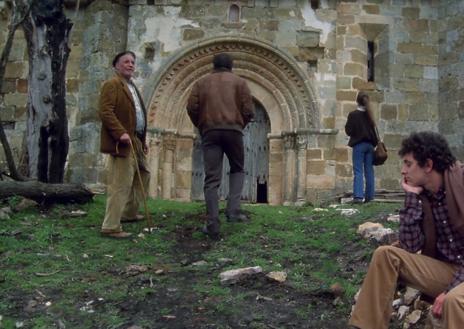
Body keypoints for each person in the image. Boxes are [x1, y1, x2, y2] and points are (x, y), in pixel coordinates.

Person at [349, 131, 464, 329]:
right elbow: (410, 246)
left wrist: (450, 290)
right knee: (386, 255)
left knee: (453, 300)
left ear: (428, 165)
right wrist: (411, 197)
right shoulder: (425, 196)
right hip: (450, 270)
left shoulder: (460, 182)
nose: (403, 170)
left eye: (408, 164)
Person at [186, 53, 255, 240]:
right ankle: (233, 211)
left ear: (213, 65)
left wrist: (202, 125)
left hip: (210, 132)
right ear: (231, 66)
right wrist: (239, 124)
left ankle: (213, 224)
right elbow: (249, 110)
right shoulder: (240, 82)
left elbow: (191, 107)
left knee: (211, 179)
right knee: (238, 169)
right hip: (233, 131)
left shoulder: (201, 83)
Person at [99, 51, 150, 239]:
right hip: (122, 139)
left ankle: (128, 213)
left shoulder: (131, 86)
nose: (130, 65)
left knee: (144, 174)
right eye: (126, 62)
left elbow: (137, 115)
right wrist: (120, 133)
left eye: (132, 62)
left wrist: (142, 141)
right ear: (116, 66)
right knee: (120, 182)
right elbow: (105, 111)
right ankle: (110, 226)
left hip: (135, 138)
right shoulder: (112, 84)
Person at [345, 91, 379, 203]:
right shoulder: (370, 115)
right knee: (369, 171)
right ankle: (370, 197)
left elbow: (348, 131)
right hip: (370, 146)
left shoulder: (353, 115)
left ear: (357, 101)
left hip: (359, 145)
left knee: (358, 171)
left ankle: (358, 197)